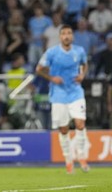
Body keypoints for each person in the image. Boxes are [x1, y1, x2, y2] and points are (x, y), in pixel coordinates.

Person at [36, 25, 90, 174]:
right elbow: (39, 69)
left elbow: (85, 65)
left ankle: (81, 156)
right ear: (60, 37)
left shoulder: (79, 51)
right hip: (58, 94)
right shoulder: (52, 52)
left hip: (76, 92)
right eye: (64, 33)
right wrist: (52, 78)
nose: (66, 36)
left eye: (69, 33)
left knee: (80, 123)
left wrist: (82, 75)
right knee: (64, 129)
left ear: (72, 36)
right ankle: (68, 160)